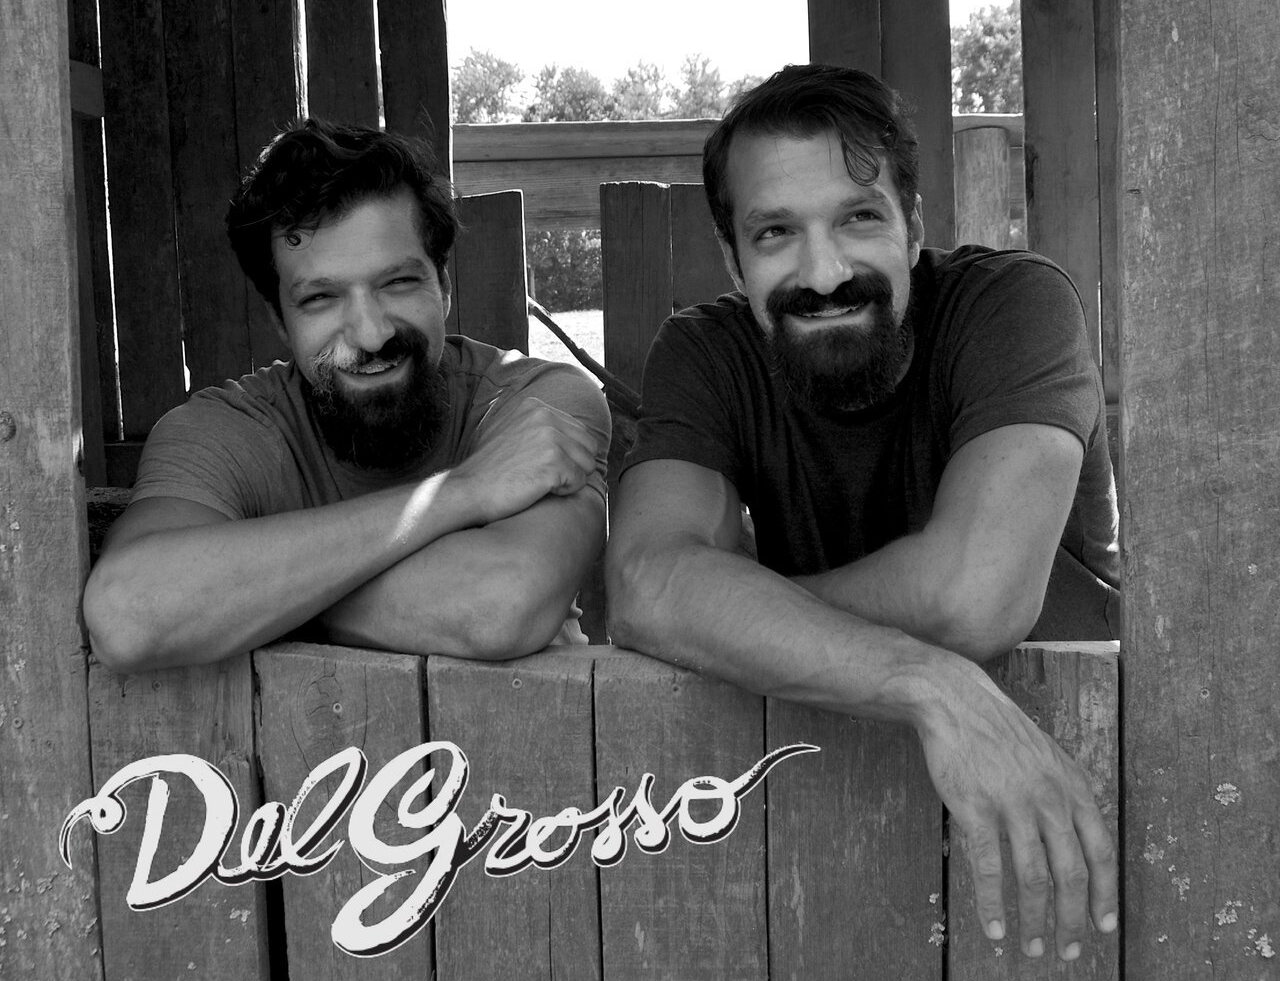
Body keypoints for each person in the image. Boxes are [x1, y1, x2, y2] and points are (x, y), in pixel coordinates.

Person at [606, 64, 1121, 964]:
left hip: (1079, 801)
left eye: (859, 217)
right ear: (734, 261)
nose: (826, 271)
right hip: (818, 821)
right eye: (776, 234)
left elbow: (974, 596)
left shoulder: (1018, 304)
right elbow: (647, 588)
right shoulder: (707, 350)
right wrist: (931, 682)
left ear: (914, 226)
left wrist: (740, 610)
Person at [85, 120, 609, 673]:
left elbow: (498, 605)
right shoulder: (223, 432)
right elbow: (129, 615)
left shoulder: (537, 405)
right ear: (280, 321)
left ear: (444, 286)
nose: (371, 333)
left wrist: (243, 601)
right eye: (322, 298)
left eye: (398, 283)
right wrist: (465, 491)